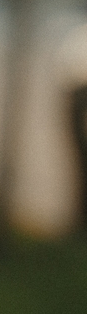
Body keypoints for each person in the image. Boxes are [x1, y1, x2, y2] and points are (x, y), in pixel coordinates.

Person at [52, 15, 87, 239]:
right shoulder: (78, 33)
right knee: (80, 163)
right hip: (75, 96)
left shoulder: (75, 32)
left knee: (80, 163)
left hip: (74, 96)